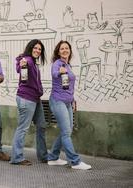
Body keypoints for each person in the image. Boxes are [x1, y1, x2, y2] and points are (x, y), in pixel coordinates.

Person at [48, 40, 92, 170]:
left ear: (70, 51)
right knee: (66, 132)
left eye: (67, 48)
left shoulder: (68, 65)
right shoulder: (57, 64)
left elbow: (70, 86)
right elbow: (54, 74)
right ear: (58, 51)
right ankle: (75, 161)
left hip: (67, 102)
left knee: (66, 131)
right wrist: (60, 72)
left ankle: (53, 157)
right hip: (57, 101)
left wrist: (72, 100)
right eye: (62, 49)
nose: (65, 50)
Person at [10, 39, 50, 165]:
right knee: (23, 128)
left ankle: (43, 156)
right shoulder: (27, 60)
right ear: (30, 48)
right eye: (35, 48)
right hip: (26, 98)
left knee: (41, 125)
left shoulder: (33, 62)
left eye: (40, 49)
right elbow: (21, 66)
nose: (37, 50)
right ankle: (17, 158)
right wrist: (21, 64)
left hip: (35, 98)